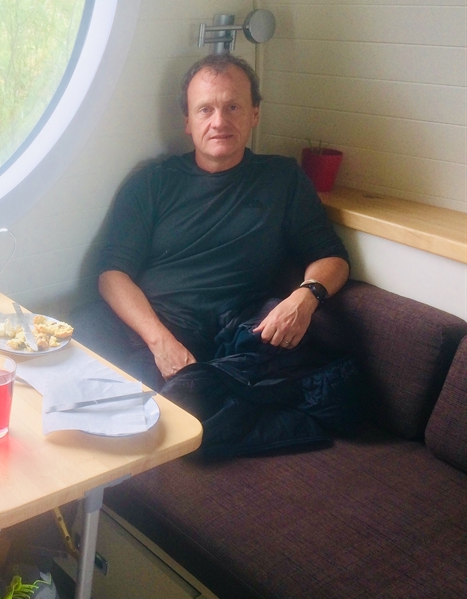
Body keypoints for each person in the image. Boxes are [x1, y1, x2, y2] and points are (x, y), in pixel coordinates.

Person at [75, 54, 351, 392]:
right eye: (205, 109)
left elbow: (332, 257)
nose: (219, 122)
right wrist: (162, 343)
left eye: (232, 107)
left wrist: (305, 297)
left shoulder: (282, 179)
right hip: (151, 327)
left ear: (254, 114)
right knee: (80, 343)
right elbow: (112, 275)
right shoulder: (151, 182)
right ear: (188, 121)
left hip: (231, 336)